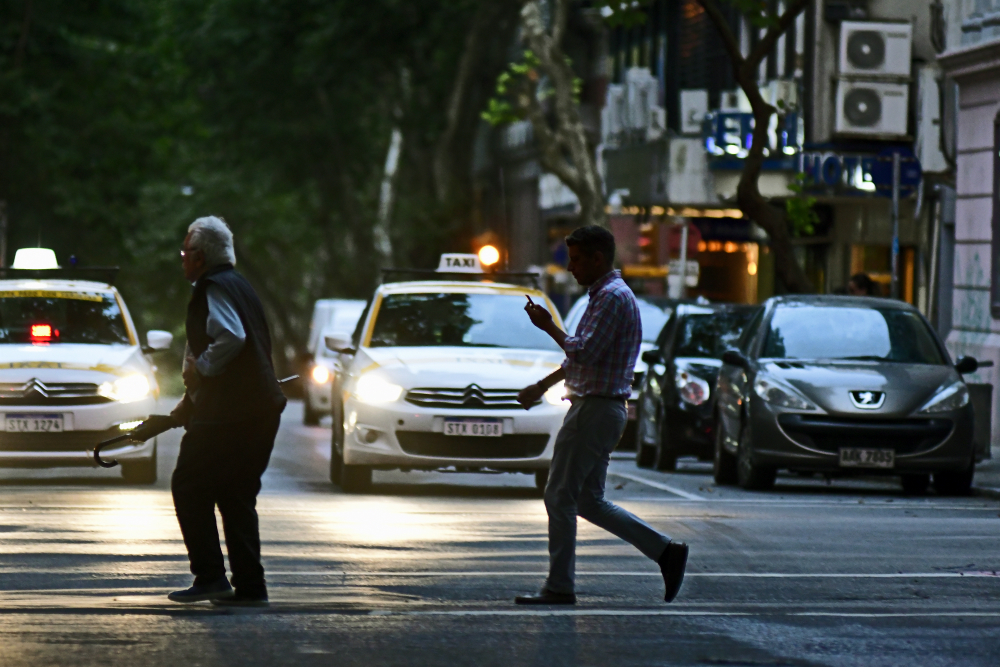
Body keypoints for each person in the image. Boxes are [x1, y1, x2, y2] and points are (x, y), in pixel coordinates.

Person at [513, 225, 688, 605]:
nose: (571, 268)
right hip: (600, 407)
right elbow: (582, 357)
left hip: (595, 409)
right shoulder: (605, 296)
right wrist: (542, 386)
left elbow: (584, 351)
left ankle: (560, 586)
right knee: (588, 500)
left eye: (577, 260)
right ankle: (665, 552)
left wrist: (549, 327)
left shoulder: (611, 297)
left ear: (597, 258)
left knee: (559, 496)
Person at [162, 216, 287, 607]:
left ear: (199, 256)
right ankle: (250, 587)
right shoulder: (239, 286)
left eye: (185, 252)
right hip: (258, 410)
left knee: (189, 484)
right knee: (236, 495)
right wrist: (190, 402)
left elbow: (231, 338)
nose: (181, 259)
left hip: (232, 414)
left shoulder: (213, 287)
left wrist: (202, 370)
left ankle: (211, 576)